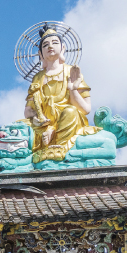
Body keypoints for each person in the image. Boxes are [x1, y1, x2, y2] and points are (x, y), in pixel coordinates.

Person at [23, 27, 100, 163]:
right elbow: (29, 111)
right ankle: (49, 143)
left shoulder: (72, 71)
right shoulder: (38, 78)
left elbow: (86, 109)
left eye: (54, 42)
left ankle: (58, 148)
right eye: (45, 45)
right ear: (41, 53)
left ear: (63, 47)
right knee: (17, 127)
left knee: (70, 111)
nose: (50, 46)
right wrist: (39, 121)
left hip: (68, 123)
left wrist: (72, 90)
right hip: (43, 126)